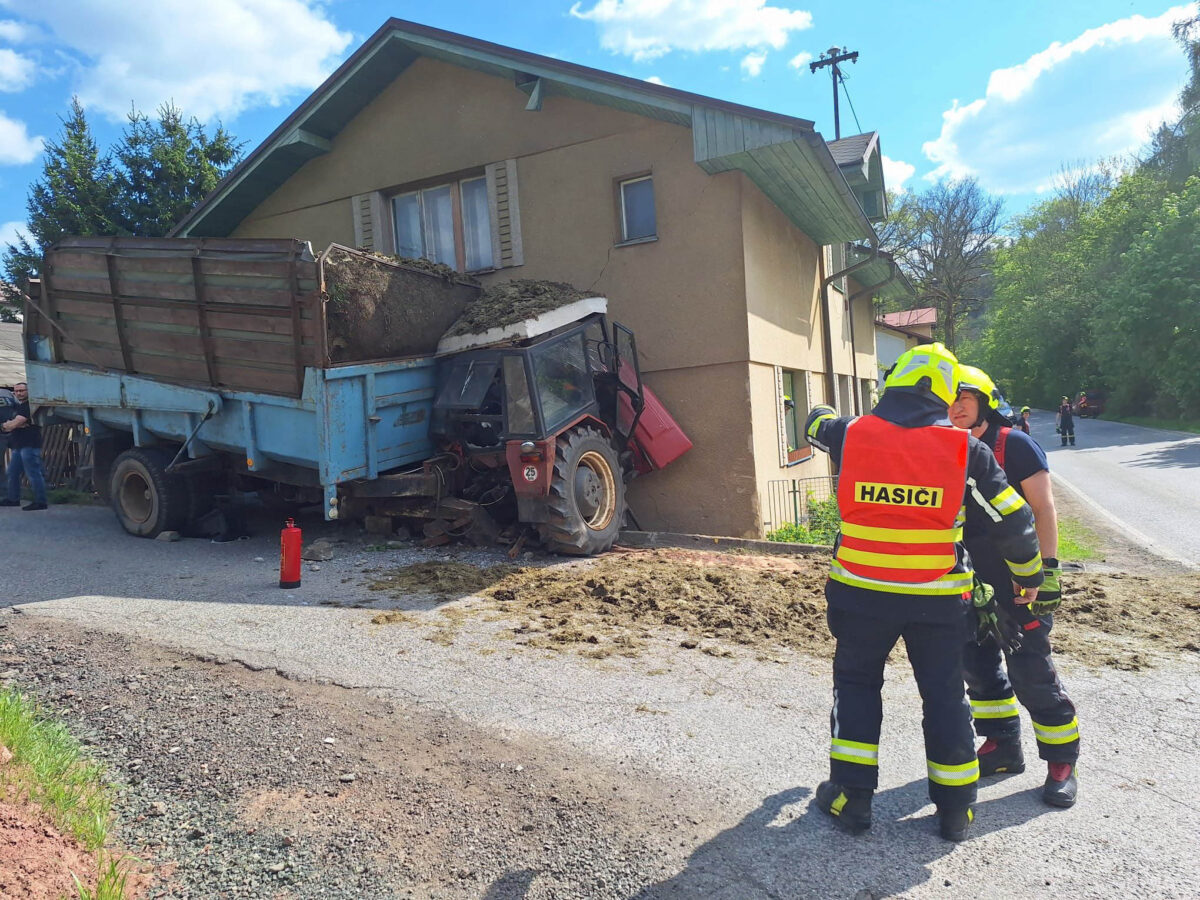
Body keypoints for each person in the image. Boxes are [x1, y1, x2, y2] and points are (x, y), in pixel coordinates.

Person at [805, 343, 1044, 842]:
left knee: (856, 688)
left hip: (859, 596)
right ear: (942, 393)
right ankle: (956, 808)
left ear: (893, 385)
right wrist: (1029, 577)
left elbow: (814, 424)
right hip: (936, 602)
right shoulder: (966, 449)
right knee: (944, 696)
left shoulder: (851, 433)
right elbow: (1017, 521)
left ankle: (851, 797)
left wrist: (824, 409)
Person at [952, 366, 1079, 808]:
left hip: (1018, 581)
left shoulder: (1015, 444)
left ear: (985, 402)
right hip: (969, 579)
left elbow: (1043, 509)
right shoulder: (946, 446)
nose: (956, 407)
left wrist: (1046, 573)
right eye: (950, 399)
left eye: (965, 398)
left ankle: (1062, 762)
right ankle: (1003, 746)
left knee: (1032, 672)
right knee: (977, 667)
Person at [0, 382, 48, 511]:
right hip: (19, 445)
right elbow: (16, 423)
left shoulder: (28, 405)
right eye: (16, 391)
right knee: (12, 472)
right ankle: (13, 499)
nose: (19, 393)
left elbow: (14, 424)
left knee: (33, 473)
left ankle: (40, 502)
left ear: (28, 391)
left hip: (30, 444)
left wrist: (8, 424)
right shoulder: (18, 406)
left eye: (22, 390)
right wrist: (13, 424)